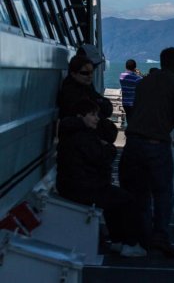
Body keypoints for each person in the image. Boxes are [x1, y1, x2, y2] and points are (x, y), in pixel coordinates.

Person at [119, 47, 174, 258]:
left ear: (161, 62)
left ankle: (139, 238)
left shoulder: (144, 83)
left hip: (132, 143)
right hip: (156, 146)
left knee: (137, 192)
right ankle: (160, 238)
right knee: (162, 193)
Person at [56, 98, 147, 257]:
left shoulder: (71, 133)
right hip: (83, 188)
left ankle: (118, 241)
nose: (97, 118)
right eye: (92, 115)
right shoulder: (82, 136)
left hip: (72, 185)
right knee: (128, 201)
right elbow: (101, 157)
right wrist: (110, 148)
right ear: (80, 116)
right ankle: (130, 244)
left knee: (114, 201)